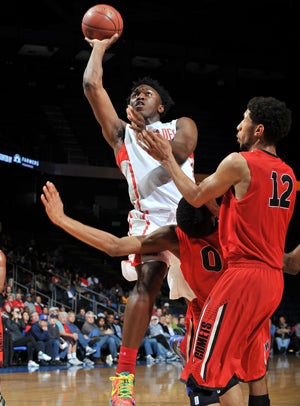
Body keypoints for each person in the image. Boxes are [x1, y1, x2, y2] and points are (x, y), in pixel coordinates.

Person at [136, 95, 296, 405]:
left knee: (201, 373)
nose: (239, 126)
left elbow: (196, 196)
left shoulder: (240, 162)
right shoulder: (287, 173)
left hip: (242, 279)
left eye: (245, 120)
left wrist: (167, 157)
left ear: (258, 130)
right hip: (273, 282)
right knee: (252, 373)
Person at [41, 181, 261, 404]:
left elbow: (114, 246)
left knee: (205, 386)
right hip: (236, 319)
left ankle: (185, 346)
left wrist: (62, 220)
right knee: (237, 386)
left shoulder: (177, 236)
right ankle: (184, 346)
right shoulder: (235, 229)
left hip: (205, 322)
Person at [82, 33, 200, 406]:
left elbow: (178, 154)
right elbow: (90, 84)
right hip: (150, 223)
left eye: (147, 92)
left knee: (206, 297)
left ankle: (198, 354)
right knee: (146, 285)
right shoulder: (120, 135)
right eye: (135, 92)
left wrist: (146, 132)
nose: (139, 95)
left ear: (161, 106)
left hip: (189, 219)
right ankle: (123, 381)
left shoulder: (181, 123)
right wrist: (99, 47)